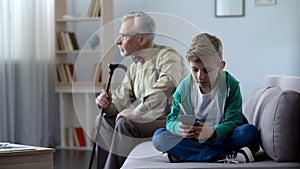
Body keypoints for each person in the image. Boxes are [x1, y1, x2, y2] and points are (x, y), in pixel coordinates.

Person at [95, 11, 189, 169]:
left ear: (142, 39)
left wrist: (137, 112)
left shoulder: (168, 57)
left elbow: (165, 87)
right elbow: (119, 102)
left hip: (172, 120)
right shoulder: (133, 68)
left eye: (124, 36)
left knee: (125, 123)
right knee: (103, 119)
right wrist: (107, 103)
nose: (118, 41)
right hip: (149, 120)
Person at [152, 33, 260, 163]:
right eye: (194, 70)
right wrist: (178, 127)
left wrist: (213, 132)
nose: (200, 76)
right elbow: (171, 119)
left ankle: (185, 154)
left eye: (206, 70)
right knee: (159, 137)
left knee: (249, 132)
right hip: (194, 139)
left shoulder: (231, 86)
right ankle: (225, 155)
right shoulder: (184, 88)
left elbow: (233, 121)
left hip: (222, 136)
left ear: (221, 66)